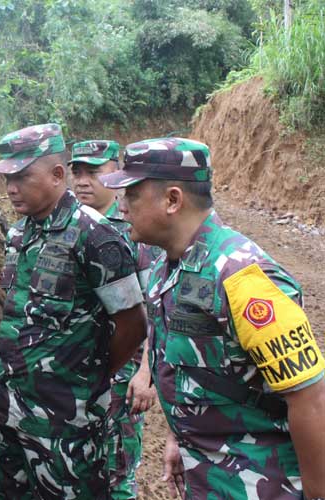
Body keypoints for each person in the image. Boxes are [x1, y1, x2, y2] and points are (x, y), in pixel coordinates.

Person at [100, 137, 325, 500]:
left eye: (131, 194)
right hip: (205, 475)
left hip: (262, 483)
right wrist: (178, 437)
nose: (120, 206)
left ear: (173, 200)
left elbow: (311, 398)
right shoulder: (165, 269)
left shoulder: (244, 278)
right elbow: (186, 372)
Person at [0, 123, 147, 500]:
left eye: (22, 177)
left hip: (66, 420)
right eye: (6, 178)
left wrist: (92, 373)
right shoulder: (18, 235)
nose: (11, 188)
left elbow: (133, 322)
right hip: (10, 412)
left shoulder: (95, 234)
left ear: (58, 175)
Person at [69, 140, 159, 500]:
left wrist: (146, 373)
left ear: (116, 175)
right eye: (77, 172)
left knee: (117, 472)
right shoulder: (68, 229)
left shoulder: (136, 233)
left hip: (121, 380)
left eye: (94, 171)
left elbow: (156, 307)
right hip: (74, 378)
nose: (83, 180)